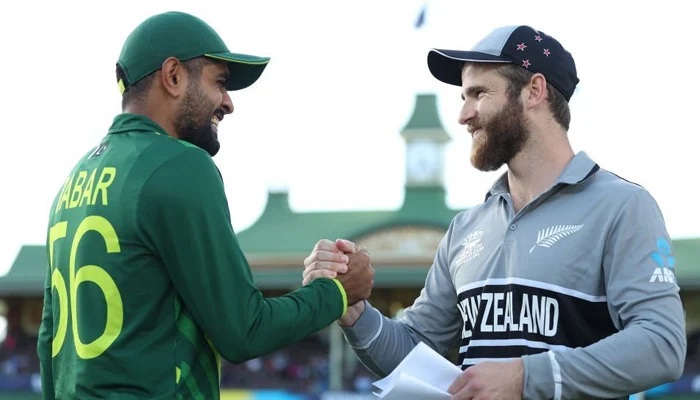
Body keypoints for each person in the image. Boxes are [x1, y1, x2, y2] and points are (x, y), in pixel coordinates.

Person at [303, 25, 686, 399]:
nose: (463, 115)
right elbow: (413, 350)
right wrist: (353, 310)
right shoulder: (465, 228)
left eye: (479, 93)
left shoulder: (622, 206)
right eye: (462, 98)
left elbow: (662, 344)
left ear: (533, 91)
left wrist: (525, 376)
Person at [36, 11, 374, 400]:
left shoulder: (72, 182)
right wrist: (337, 291)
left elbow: (49, 340)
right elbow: (244, 330)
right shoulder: (179, 163)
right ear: (174, 76)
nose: (228, 103)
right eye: (220, 83)